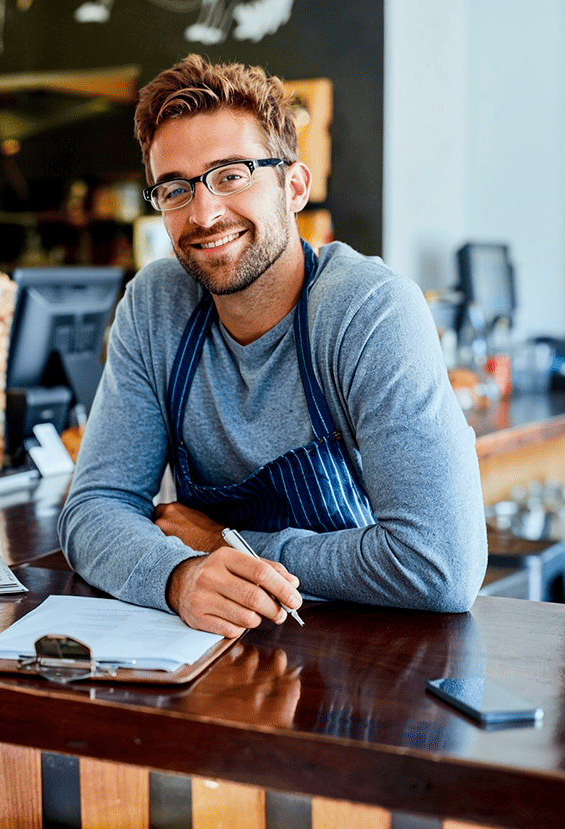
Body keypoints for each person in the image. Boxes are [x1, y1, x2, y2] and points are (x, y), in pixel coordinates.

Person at [58, 54, 485, 637]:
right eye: (175, 189)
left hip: (368, 655)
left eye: (231, 174)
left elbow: (440, 566)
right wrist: (181, 577)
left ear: (294, 186)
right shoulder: (156, 305)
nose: (204, 212)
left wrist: (225, 545)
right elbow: (92, 509)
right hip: (213, 649)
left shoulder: (369, 310)